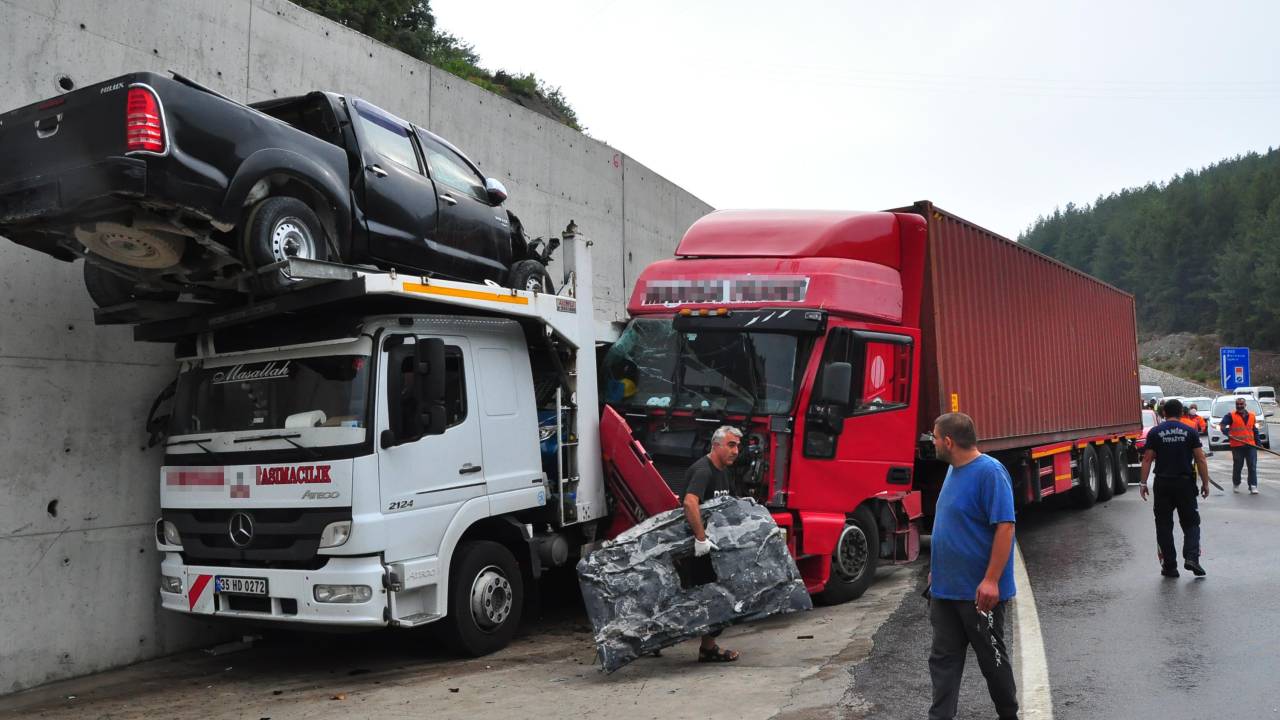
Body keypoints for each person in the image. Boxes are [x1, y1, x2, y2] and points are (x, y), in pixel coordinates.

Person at [927, 412, 1018, 720]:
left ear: (949, 442)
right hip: (946, 590)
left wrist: (992, 580)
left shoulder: (990, 472)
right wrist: (936, 570)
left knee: (991, 661)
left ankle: (1009, 715)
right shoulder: (954, 470)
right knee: (943, 660)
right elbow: (952, 526)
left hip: (979, 593)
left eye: (936, 437)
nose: (933, 442)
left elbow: (1005, 527)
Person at [681, 425, 741, 663]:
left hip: (714, 546)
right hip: (697, 546)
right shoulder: (703, 471)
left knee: (715, 596)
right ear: (715, 446)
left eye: (737, 445)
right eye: (731, 445)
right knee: (712, 596)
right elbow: (689, 503)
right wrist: (700, 539)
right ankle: (707, 649)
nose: (736, 451)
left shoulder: (724, 470)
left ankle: (708, 646)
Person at [1139, 398, 1211, 577]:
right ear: (1181, 413)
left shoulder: (1155, 432)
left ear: (1164, 413)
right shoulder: (1190, 431)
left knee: (1163, 525)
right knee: (1191, 523)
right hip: (1185, 483)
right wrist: (1205, 483)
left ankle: (1170, 566)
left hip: (1163, 483)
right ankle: (1192, 557)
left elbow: (1147, 458)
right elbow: (1200, 458)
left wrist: (1142, 483)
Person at [1220, 397, 1260, 494]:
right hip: (1237, 445)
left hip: (1250, 445)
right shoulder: (1230, 415)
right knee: (1238, 466)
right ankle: (1236, 484)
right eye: (1237, 404)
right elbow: (1222, 426)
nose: (1239, 406)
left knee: (1252, 466)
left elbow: (1255, 430)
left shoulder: (1252, 415)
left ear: (1245, 405)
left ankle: (1253, 486)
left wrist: (1258, 443)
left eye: (1241, 404)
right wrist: (1227, 433)